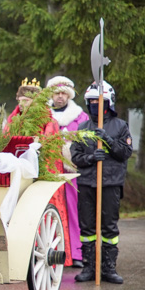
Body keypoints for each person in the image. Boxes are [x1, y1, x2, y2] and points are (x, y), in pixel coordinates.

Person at [70, 81, 132, 285]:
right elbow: (75, 156)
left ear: (109, 102)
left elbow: (125, 153)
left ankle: (108, 267)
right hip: (87, 183)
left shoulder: (120, 126)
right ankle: (89, 266)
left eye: (100, 101)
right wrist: (90, 159)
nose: (96, 105)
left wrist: (109, 141)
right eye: (92, 102)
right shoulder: (82, 127)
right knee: (87, 227)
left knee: (109, 228)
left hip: (110, 184)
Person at [47, 75, 89, 268]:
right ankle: (52, 253)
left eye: (64, 93)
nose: (60, 97)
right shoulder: (43, 114)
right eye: (57, 93)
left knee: (73, 211)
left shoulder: (81, 117)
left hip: (71, 170)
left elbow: (86, 142)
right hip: (49, 171)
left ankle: (76, 253)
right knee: (50, 212)